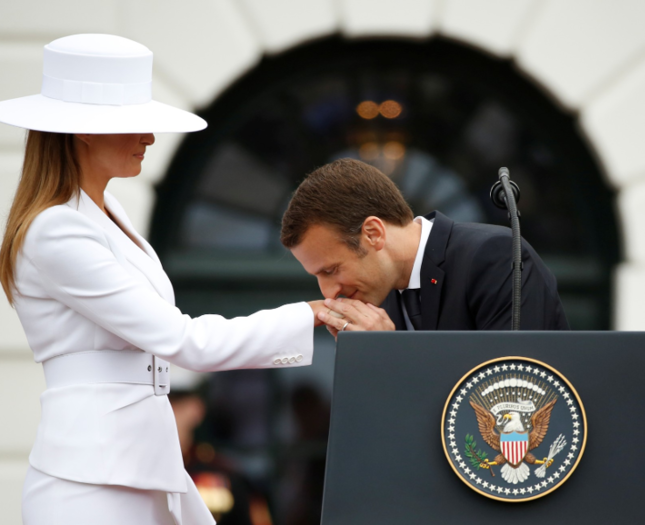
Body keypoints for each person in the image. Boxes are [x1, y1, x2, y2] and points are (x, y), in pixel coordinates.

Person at [0, 34, 328, 525]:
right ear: (83, 131)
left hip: (138, 469)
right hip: (91, 481)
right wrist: (311, 314)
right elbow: (181, 340)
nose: (149, 139)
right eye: (135, 124)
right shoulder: (56, 230)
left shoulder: (101, 215)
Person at [281, 158, 569, 336]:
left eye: (331, 269)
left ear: (373, 233)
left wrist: (386, 355)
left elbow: (513, 396)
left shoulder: (493, 257)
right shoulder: (377, 300)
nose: (329, 292)